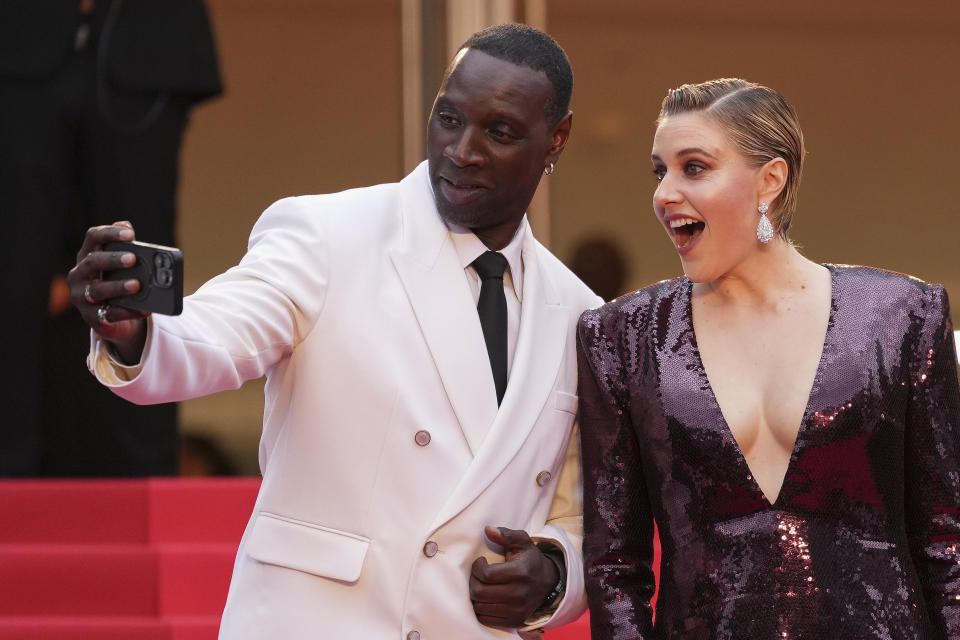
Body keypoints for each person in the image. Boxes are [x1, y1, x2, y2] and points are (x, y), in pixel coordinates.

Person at [68, 24, 601, 639]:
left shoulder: (580, 314)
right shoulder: (327, 236)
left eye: (499, 132)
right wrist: (138, 330)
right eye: (449, 118)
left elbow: (586, 516)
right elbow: (219, 332)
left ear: (556, 139)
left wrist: (553, 576)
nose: (461, 150)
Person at [577, 78, 960, 639]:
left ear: (770, 181)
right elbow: (615, 568)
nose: (664, 192)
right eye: (660, 171)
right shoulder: (621, 336)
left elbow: (947, 540)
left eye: (694, 167)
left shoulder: (901, 316)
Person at [0, 0, 222, 475]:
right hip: (18, 41)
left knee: (139, 266)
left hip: (144, 39)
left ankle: (143, 479)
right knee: (13, 266)